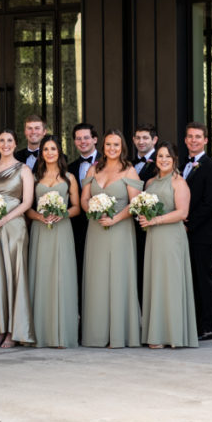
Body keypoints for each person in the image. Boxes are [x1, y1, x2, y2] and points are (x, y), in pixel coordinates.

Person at [80, 128, 141, 348]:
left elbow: (136, 204)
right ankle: (96, 333)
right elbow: (84, 199)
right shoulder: (93, 170)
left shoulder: (129, 171)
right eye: (108, 144)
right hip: (96, 229)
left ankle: (118, 333)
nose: (112, 148)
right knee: (97, 277)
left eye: (116, 144)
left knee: (118, 276)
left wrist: (115, 218)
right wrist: (93, 211)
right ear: (103, 147)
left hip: (120, 230)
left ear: (122, 147)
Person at [138, 141, 197, 349]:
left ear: (174, 160)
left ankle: (173, 335)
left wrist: (154, 221)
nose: (163, 160)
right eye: (160, 156)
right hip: (153, 237)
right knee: (156, 282)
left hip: (171, 236)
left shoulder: (178, 182)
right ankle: (156, 333)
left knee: (170, 283)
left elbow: (182, 213)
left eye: (167, 157)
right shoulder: (150, 183)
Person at [0, 129, 35, 348]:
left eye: (9, 141)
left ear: (15, 144)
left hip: (14, 226)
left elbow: (27, 202)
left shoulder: (24, 169)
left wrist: (5, 219)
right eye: (2, 141)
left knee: (15, 274)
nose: (5, 144)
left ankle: (15, 330)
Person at [26, 135, 80, 348]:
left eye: (53, 149)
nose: (50, 152)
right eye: (46, 149)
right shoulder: (34, 177)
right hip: (40, 230)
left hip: (61, 230)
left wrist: (63, 214)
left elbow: (76, 206)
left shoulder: (69, 178)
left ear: (59, 151)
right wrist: (39, 217)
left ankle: (61, 334)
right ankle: (40, 333)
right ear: (41, 153)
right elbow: (27, 208)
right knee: (42, 277)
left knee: (61, 278)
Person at [182, 122, 212, 342]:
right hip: (183, 234)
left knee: (204, 279)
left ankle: (210, 326)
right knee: (190, 280)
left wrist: (188, 223)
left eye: (198, 137)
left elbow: (210, 204)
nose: (193, 140)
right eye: (190, 137)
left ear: (206, 140)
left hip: (203, 234)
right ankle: (194, 324)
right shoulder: (181, 166)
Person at [67, 122, 99, 317]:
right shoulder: (70, 167)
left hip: (102, 225)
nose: (82, 141)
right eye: (78, 138)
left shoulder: (107, 163)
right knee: (79, 272)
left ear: (95, 139)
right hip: (77, 228)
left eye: (86, 137)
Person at [131, 123, 159, 305]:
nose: (141, 142)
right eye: (138, 138)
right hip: (131, 226)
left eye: (145, 138)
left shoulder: (163, 161)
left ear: (154, 140)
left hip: (155, 226)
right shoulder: (128, 164)